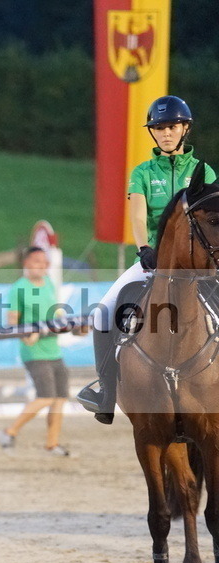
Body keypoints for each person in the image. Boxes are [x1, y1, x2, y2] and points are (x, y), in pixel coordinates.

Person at [78, 96, 217, 423]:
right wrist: (144, 248)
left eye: (172, 127)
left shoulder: (203, 171)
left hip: (198, 263)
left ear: (185, 129)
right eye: (159, 128)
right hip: (153, 259)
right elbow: (139, 217)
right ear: (152, 132)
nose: (166, 133)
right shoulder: (142, 172)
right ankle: (105, 390)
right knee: (103, 313)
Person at [0, 247, 74, 457]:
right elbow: (12, 322)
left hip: (54, 350)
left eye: (44, 261)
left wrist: (66, 324)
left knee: (60, 399)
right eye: (36, 261)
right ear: (26, 263)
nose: (41, 265)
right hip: (34, 352)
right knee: (46, 397)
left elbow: (55, 312)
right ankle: (9, 432)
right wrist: (26, 336)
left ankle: (52, 444)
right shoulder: (19, 288)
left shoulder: (49, 283)